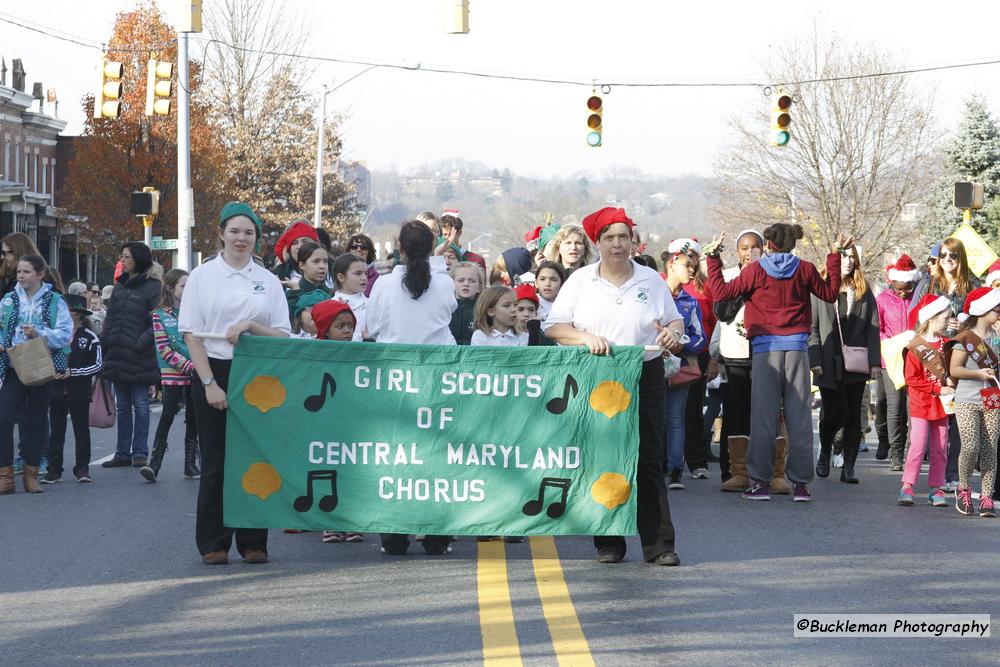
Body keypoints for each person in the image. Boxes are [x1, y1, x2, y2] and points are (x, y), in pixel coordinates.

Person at [544, 206, 684, 566]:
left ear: (634, 242)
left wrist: (672, 334)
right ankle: (608, 541)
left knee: (649, 457)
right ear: (598, 242)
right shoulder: (580, 281)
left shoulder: (651, 279)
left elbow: (675, 323)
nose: (617, 244)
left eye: (624, 237)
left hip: (644, 374)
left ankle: (659, 544)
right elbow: (554, 327)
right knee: (603, 456)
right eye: (609, 238)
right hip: (598, 376)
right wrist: (584, 337)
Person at [179, 202, 291, 565]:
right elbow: (191, 334)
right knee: (217, 460)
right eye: (235, 231)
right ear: (221, 234)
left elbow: (283, 334)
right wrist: (209, 383)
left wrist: (251, 327)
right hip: (213, 368)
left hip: (258, 374)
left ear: (256, 238)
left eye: (249, 233)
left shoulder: (268, 280)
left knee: (255, 457)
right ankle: (214, 541)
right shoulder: (202, 276)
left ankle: (254, 540)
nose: (241, 238)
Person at [705, 224, 846, 502]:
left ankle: (760, 483)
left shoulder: (755, 270)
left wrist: (713, 259)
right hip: (797, 350)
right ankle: (802, 486)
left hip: (764, 352)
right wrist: (833, 256)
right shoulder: (804, 269)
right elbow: (830, 293)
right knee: (799, 419)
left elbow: (721, 293)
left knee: (763, 419)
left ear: (768, 245)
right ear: (793, 245)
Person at [367, 221, 458, 555]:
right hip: (437, 378)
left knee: (395, 457)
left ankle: (394, 534)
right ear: (432, 245)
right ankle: (437, 535)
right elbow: (448, 313)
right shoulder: (445, 283)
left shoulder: (383, 286)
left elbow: (373, 328)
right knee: (436, 456)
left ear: (398, 247)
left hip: (394, 379)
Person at [910, 238, 979, 493]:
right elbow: (913, 318)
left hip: (961, 355)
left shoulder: (972, 286)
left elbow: (981, 322)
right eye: (944, 254)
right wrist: (931, 328)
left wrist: (962, 328)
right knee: (934, 419)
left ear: (962, 258)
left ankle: (953, 475)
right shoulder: (928, 283)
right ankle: (923, 476)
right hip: (932, 357)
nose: (948, 259)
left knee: (960, 419)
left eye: (954, 255)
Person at [0, 255, 73, 495]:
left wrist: (39, 333)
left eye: (26, 272)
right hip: (13, 366)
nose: (20, 276)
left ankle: (31, 473)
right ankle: (5, 474)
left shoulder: (55, 301)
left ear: (40, 274)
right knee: (4, 417)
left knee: (37, 418)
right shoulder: (9, 300)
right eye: (19, 272)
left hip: (41, 365)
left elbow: (65, 334)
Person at [809, 245, 881, 484]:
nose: (848, 261)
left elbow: (873, 327)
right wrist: (815, 360)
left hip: (856, 362)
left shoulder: (863, 290)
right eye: (843, 257)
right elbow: (814, 328)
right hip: (828, 362)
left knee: (852, 418)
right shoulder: (821, 288)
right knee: (831, 414)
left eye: (852, 257)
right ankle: (826, 450)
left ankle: (848, 466)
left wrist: (874, 362)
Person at [101, 242, 161, 468]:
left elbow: (157, 320)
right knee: (123, 406)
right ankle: (122, 453)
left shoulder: (153, 286)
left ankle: (139, 452)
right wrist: (104, 344)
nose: (122, 260)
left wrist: (139, 343)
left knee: (141, 404)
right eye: (121, 256)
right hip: (117, 353)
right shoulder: (119, 285)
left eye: (126, 256)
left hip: (140, 355)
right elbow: (110, 320)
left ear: (138, 259)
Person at [309, 299, 365, 544]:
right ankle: (329, 522)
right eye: (340, 326)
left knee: (352, 472)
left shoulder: (360, 353)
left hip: (352, 424)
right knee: (326, 471)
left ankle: (353, 521)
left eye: (350, 326)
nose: (347, 331)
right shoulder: (311, 354)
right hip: (323, 423)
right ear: (324, 329)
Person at [712, 230, 764, 492]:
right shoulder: (730, 276)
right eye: (744, 248)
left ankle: (761, 472)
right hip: (734, 355)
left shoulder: (769, 274)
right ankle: (730, 470)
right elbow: (722, 312)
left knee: (762, 415)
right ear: (737, 251)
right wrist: (745, 279)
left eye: (755, 247)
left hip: (764, 354)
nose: (749, 252)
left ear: (763, 250)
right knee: (733, 414)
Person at [945, 287, 1000, 517]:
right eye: (997, 309)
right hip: (967, 398)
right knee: (970, 447)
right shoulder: (965, 339)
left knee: (990, 448)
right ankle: (964, 488)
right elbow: (954, 369)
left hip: (992, 398)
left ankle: (986, 495)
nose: (999, 313)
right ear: (984, 310)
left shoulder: (997, 338)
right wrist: (978, 374)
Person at [142, 269, 200, 482]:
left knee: (194, 418)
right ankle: (154, 464)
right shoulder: (159, 315)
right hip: (173, 373)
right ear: (170, 288)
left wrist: (198, 366)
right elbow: (164, 348)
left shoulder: (196, 312)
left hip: (196, 371)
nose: (188, 289)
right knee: (167, 415)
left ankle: (190, 464)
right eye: (183, 285)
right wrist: (190, 366)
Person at [898, 295, 953, 507]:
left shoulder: (948, 345)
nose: (948, 322)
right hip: (921, 404)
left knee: (940, 447)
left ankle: (937, 489)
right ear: (931, 318)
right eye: (945, 318)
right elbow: (911, 380)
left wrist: (950, 381)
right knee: (918, 445)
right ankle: (907, 485)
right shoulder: (915, 347)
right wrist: (938, 387)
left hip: (942, 404)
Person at [42, 293, 101, 484]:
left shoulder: (89, 337)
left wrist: (73, 372)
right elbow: (40, 357)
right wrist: (51, 371)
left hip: (79, 391)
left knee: (81, 430)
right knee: (56, 431)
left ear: (78, 314)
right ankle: (54, 469)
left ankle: (82, 468)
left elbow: (98, 365)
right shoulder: (51, 334)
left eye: (68, 310)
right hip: (56, 389)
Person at [662, 250, 706, 489]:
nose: (692, 270)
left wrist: (682, 344)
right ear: (671, 265)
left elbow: (702, 338)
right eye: (686, 265)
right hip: (650, 364)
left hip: (679, 366)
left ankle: (676, 469)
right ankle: (653, 466)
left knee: (676, 417)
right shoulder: (652, 295)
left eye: (693, 266)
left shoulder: (691, 302)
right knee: (652, 417)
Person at [875, 255, 919, 469]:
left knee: (910, 408)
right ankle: (893, 449)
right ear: (892, 283)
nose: (903, 293)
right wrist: (891, 342)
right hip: (890, 358)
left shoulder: (918, 299)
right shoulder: (883, 299)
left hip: (913, 358)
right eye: (899, 289)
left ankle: (907, 452)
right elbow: (878, 329)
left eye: (908, 289)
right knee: (893, 405)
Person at [284, 242, 331, 321]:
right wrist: (294, 293)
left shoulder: (332, 294)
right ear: (302, 265)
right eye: (316, 261)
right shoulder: (293, 295)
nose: (322, 266)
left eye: (325, 261)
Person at [332, 252, 369, 341]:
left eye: (366, 273)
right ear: (341, 277)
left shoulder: (372, 304)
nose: (364, 278)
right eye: (358, 273)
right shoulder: (330, 305)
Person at [272, 220, 319, 289]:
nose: (299, 246)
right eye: (294, 243)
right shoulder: (278, 275)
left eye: (305, 241)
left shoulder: (331, 273)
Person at [449, 262, 484, 345]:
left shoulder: (483, 311)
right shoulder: (445, 309)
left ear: (479, 287)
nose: (466, 284)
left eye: (472, 281)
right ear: (451, 284)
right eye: (461, 280)